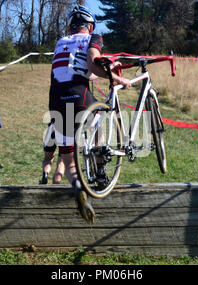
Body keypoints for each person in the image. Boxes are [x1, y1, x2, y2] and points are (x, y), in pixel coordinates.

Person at [48, 5, 131, 224]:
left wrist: (110, 68)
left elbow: (74, 70)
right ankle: (101, 169)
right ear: (91, 26)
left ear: (70, 26)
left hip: (56, 100)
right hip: (80, 97)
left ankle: (78, 187)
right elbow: (93, 65)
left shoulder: (60, 42)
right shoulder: (93, 38)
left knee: (68, 156)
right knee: (100, 121)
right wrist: (118, 78)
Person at [40, 119, 65, 184]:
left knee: (48, 158)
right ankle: (56, 185)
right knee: (61, 162)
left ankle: (45, 174)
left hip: (52, 128)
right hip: (66, 132)